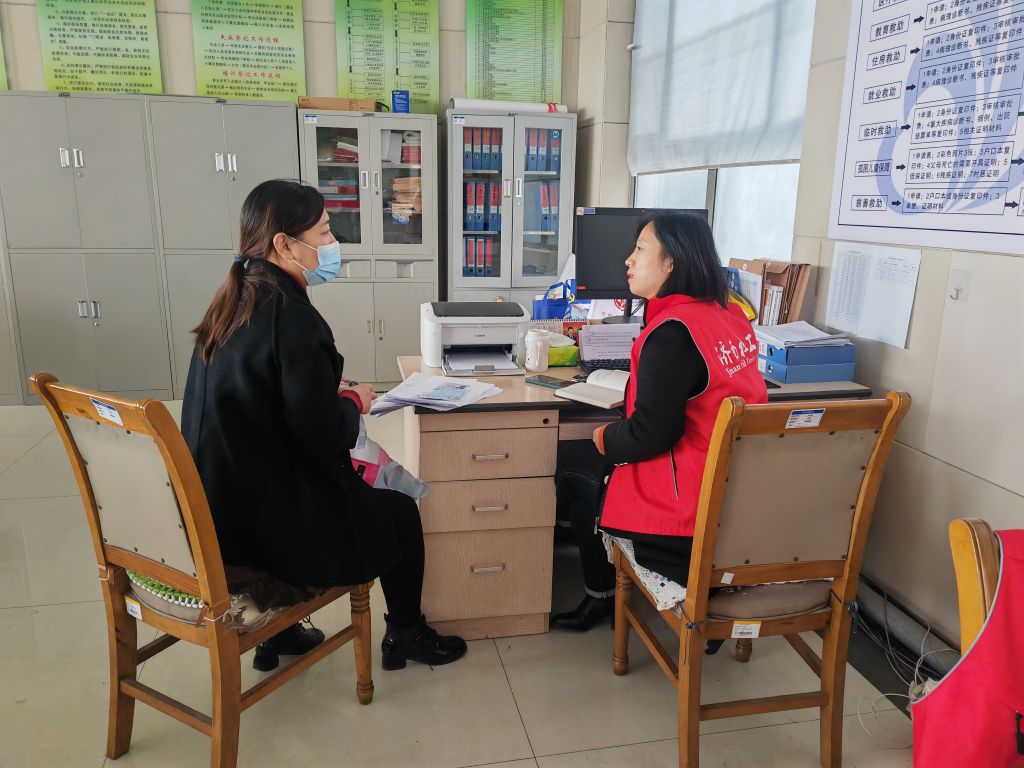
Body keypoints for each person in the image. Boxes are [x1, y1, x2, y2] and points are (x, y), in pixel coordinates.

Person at [181, 179, 466, 671]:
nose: (333, 244)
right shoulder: (291, 315)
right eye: (325, 232)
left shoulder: (233, 301)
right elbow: (319, 435)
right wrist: (353, 401)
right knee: (399, 511)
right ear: (284, 244)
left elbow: (260, 396)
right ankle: (407, 634)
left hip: (219, 511)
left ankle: (281, 634)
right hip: (269, 530)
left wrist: (323, 389)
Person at [552, 212, 768, 631]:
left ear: (671, 262)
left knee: (576, 462)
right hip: (739, 495)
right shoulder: (729, 315)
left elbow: (652, 434)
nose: (628, 260)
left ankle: (602, 595)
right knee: (587, 461)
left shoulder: (672, 332)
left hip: (689, 512)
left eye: (640, 249)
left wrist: (604, 436)